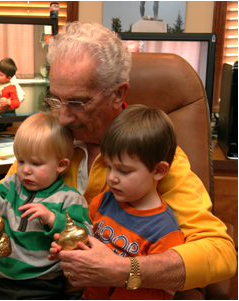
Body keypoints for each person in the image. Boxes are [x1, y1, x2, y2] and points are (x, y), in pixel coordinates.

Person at [0, 22, 236, 295]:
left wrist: (127, 270)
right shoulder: (47, 142)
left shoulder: (153, 154)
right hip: (25, 283)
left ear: (118, 94)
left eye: (77, 102)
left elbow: (219, 252)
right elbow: (4, 198)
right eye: (56, 100)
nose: (63, 117)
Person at [0, 113, 92, 300]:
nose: (26, 169)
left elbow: (85, 234)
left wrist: (51, 218)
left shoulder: (70, 198)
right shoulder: (12, 184)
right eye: (21, 161)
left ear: (61, 165)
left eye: (36, 163)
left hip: (41, 284)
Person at [54, 105, 185, 300]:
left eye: (124, 171)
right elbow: (86, 237)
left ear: (158, 171)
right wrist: (70, 249)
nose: (112, 178)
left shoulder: (165, 232)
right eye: (109, 166)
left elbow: (163, 287)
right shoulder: (103, 201)